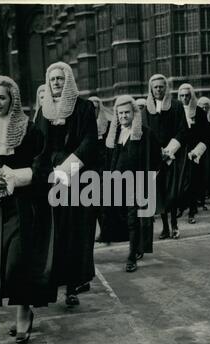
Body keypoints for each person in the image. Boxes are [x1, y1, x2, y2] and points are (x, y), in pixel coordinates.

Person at [0, 75, 53, 344]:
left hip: (23, 206)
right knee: (2, 264)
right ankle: (23, 307)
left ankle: (22, 312)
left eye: (2, 98)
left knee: (17, 263)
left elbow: (43, 167)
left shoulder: (29, 131)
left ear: (12, 100)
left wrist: (16, 176)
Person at [34, 61, 99, 306]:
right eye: (52, 79)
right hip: (50, 180)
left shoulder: (83, 108)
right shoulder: (43, 110)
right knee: (54, 233)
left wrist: (67, 169)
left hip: (78, 179)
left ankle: (73, 285)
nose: (56, 83)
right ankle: (52, 282)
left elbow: (90, 142)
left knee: (75, 234)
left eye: (60, 78)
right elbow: (38, 146)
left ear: (68, 80)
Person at [100, 95, 161, 272]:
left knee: (134, 220)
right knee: (122, 218)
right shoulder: (115, 135)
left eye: (127, 113)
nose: (123, 116)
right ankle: (136, 247)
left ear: (134, 113)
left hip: (136, 183)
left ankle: (131, 257)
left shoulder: (145, 133)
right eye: (120, 114)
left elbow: (156, 157)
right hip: (117, 184)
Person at [142, 74, 189, 240]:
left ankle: (175, 223)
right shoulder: (146, 111)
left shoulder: (176, 106)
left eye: (161, 86)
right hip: (155, 158)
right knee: (160, 193)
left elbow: (183, 130)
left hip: (172, 156)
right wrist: (156, 151)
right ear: (151, 89)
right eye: (155, 87)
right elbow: (145, 133)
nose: (158, 90)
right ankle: (165, 226)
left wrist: (169, 150)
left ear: (166, 88)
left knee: (173, 193)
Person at [178, 84, 208, 224]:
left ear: (191, 96)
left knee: (192, 182)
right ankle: (181, 206)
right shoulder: (176, 111)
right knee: (180, 182)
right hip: (179, 151)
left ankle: (192, 211)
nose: (184, 98)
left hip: (193, 151)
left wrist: (197, 151)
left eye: (187, 95)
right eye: (182, 96)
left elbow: (205, 135)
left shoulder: (199, 112)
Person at [88, 96, 112, 242]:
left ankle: (106, 232)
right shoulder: (84, 125)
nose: (94, 111)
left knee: (104, 204)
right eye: (91, 108)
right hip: (90, 169)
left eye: (96, 107)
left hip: (104, 168)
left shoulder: (107, 125)